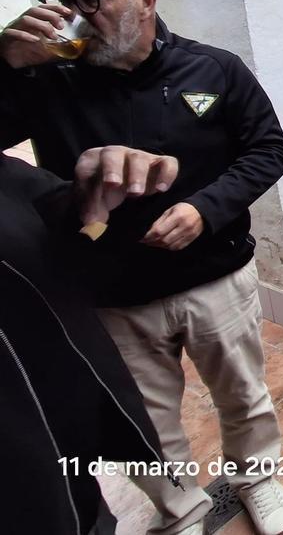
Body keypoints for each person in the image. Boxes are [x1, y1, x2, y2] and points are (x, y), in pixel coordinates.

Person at [0, 0, 283, 535]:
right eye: (64, 0)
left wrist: (206, 210)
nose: (77, 16)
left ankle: (257, 477)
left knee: (242, 394)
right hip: (112, 292)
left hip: (214, 277)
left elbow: (270, 148)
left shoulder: (213, 68)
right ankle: (180, 510)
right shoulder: (45, 80)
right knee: (149, 420)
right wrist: (2, 61)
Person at [3, 146, 175, 535]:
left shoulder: (10, 175)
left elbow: (71, 244)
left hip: (61, 455)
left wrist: (90, 206)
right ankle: (181, 510)